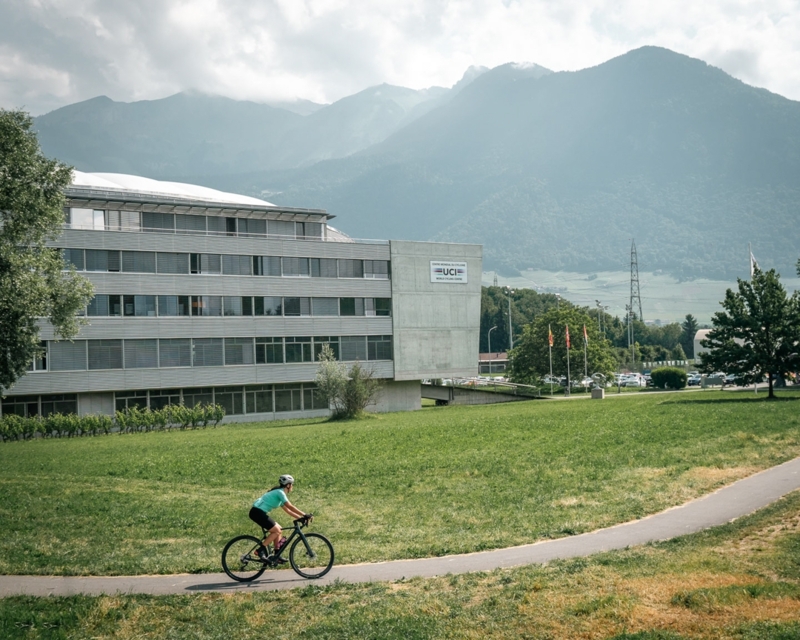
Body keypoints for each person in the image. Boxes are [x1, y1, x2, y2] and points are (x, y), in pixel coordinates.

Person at [249, 474, 311, 562]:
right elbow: (290, 506)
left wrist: (300, 518)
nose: (292, 487)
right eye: (292, 484)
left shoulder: (279, 493)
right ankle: (260, 550)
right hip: (257, 512)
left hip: (258, 512)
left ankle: (276, 555)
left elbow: (288, 511)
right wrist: (305, 514)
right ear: (288, 485)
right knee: (276, 531)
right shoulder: (280, 493)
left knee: (279, 529)